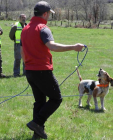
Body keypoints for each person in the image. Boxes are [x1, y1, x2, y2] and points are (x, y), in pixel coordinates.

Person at [20, 1, 84, 139]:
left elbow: (22, 51)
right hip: (42, 71)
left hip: (29, 71)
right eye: (49, 13)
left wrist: (27, 66)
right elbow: (52, 46)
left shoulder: (25, 29)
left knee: (40, 101)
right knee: (56, 98)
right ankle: (37, 123)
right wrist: (74, 46)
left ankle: (37, 133)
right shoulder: (43, 28)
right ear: (45, 13)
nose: (49, 16)